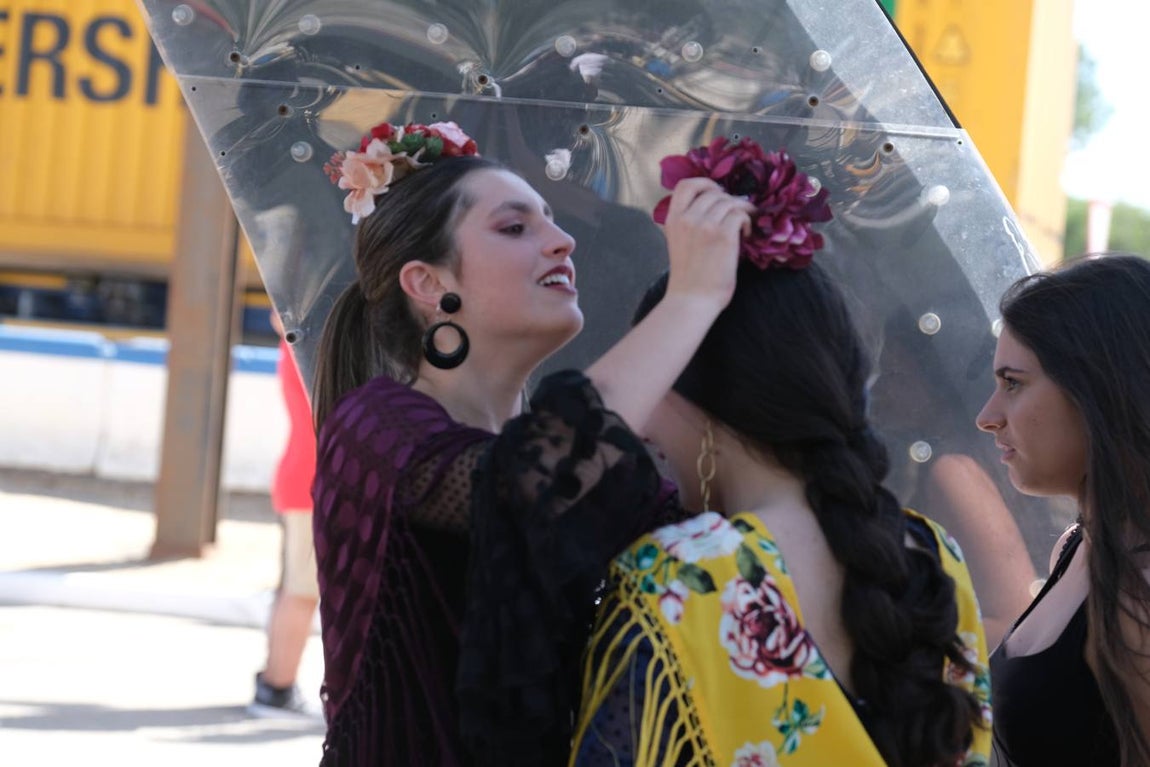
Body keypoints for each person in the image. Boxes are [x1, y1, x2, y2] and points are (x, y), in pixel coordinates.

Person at [309, 121, 755, 766]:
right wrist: (690, 298)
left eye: (551, 220)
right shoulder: (373, 426)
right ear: (428, 284)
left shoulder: (591, 465)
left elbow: (723, 551)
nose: (563, 241)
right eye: (515, 227)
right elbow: (526, 485)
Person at [571, 245, 992, 762]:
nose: (639, 426)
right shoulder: (934, 553)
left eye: (652, 374)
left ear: (704, 393)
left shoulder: (677, 576)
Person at [978, 254, 1150, 766]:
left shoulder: (1136, 595)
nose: (987, 416)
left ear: (1096, 389)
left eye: (1013, 383)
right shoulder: (1077, 546)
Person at [248, 317, 321, 719]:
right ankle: (277, 688)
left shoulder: (300, 342)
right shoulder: (308, 347)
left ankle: (274, 683)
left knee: (293, 590)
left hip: (301, 479)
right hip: (312, 482)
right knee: (301, 592)